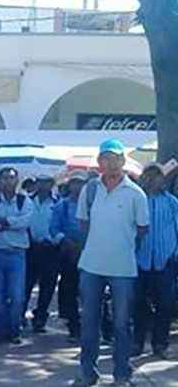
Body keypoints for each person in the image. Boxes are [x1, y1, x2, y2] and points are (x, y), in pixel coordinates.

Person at [73, 139, 149, 387]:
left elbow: (142, 229)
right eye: (106, 158)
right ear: (99, 162)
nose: (112, 163)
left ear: (123, 162)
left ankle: (122, 375)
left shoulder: (136, 194)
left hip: (123, 268)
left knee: (121, 324)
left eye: (116, 158)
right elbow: (83, 224)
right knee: (89, 322)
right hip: (91, 266)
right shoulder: (90, 190)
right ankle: (87, 373)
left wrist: (120, 245)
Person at [132, 163, 178, 359]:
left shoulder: (171, 202)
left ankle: (161, 344)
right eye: (149, 174)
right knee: (137, 302)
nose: (153, 179)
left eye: (157, 175)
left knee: (165, 303)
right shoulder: (135, 200)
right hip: (139, 260)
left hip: (165, 260)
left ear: (163, 179)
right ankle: (137, 342)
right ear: (143, 177)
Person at [0, 167, 34, 345]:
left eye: (11, 178)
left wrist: (3, 222)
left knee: (17, 294)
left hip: (17, 253)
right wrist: (12, 223)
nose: (7, 181)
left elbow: (26, 221)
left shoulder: (24, 201)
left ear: (17, 180)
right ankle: (1, 330)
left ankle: (15, 330)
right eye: (4, 178)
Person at [50, 170, 88, 342]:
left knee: (91, 291)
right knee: (70, 290)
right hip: (69, 254)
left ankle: (96, 326)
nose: (78, 187)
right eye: (74, 183)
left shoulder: (93, 205)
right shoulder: (62, 206)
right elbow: (53, 229)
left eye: (81, 183)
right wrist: (66, 241)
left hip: (90, 253)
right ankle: (74, 327)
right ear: (69, 185)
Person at [24, 174, 59, 333]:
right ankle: (19, 316)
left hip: (50, 249)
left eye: (47, 181)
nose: (43, 185)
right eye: (40, 181)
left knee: (47, 286)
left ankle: (40, 318)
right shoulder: (25, 200)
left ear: (52, 183)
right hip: (30, 247)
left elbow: (60, 224)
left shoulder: (58, 202)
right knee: (26, 284)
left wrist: (53, 240)